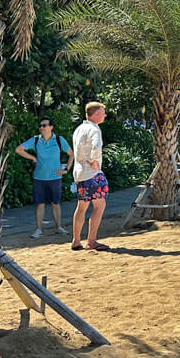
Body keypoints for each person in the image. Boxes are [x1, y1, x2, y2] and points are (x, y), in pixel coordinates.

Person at [14, 117, 72, 238]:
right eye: (40, 126)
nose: (41, 127)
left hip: (55, 178)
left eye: (44, 125)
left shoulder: (59, 140)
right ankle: (38, 229)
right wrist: (32, 158)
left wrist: (66, 170)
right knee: (40, 204)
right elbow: (18, 149)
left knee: (55, 203)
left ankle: (59, 227)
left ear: (51, 127)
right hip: (39, 178)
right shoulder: (35, 140)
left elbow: (71, 154)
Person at [71, 101, 109, 251]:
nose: (105, 115)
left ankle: (76, 240)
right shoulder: (94, 129)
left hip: (79, 173)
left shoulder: (79, 128)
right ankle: (91, 241)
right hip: (92, 173)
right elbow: (97, 145)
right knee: (99, 206)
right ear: (96, 113)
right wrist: (94, 161)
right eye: (103, 112)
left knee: (81, 207)